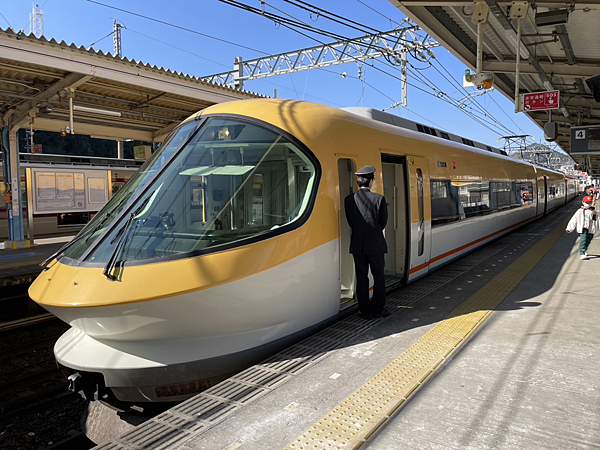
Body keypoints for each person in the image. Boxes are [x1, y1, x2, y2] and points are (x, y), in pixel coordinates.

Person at [344, 165, 389, 319]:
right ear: (370, 182)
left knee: (361, 278)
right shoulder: (379, 199)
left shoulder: (349, 200)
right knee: (379, 277)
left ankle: (364, 310)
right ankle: (378, 309)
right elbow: (383, 222)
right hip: (376, 245)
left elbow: (350, 221)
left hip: (358, 246)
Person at [566, 195, 600, 260]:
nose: (588, 204)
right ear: (583, 202)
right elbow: (574, 219)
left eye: (590, 203)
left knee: (588, 240)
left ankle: (584, 250)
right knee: (583, 240)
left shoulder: (593, 212)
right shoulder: (580, 211)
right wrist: (569, 228)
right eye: (587, 203)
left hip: (591, 229)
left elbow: (597, 220)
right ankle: (582, 253)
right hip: (583, 228)